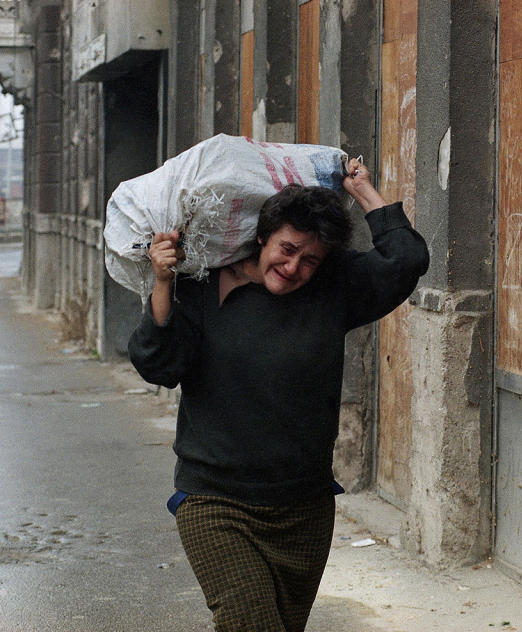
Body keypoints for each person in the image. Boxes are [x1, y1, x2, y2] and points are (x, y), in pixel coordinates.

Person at [128, 158, 429, 632]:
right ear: (262, 236)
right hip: (217, 503)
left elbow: (406, 260)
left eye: (309, 259)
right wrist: (163, 283)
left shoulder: (332, 289)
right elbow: (158, 364)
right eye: (286, 250)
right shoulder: (203, 288)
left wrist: (365, 192)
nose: (293, 268)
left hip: (304, 508)